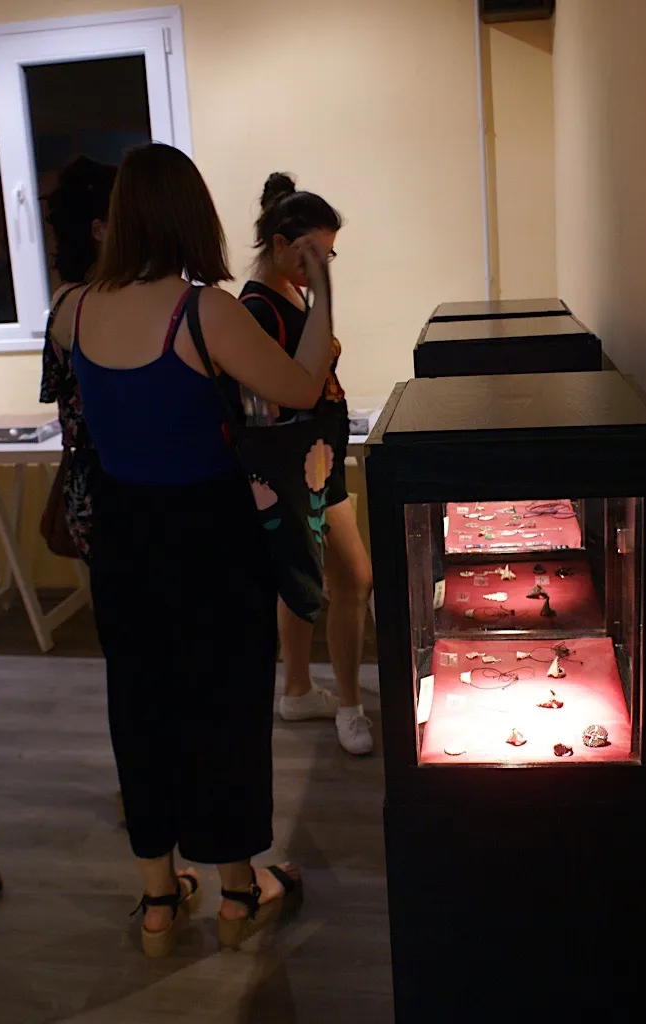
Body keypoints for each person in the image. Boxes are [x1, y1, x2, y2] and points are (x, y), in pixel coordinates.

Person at [62, 143, 333, 956]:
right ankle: (239, 895)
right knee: (224, 710)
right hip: (208, 539)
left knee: (140, 708)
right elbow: (301, 386)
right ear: (190, 214)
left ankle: (157, 901)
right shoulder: (202, 311)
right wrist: (323, 289)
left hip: (122, 539)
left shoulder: (70, 309)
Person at [242, 173, 374, 756]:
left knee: (304, 579)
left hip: (315, 463)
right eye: (312, 254)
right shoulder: (256, 308)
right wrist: (322, 292)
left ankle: (297, 691)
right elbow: (287, 390)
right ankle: (349, 704)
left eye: (327, 255)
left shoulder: (291, 295)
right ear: (279, 244)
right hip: (296, 471)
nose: (320, 266)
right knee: (353, 579)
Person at [40, 155, 117, 560]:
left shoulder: (75, 298)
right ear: (99, 230)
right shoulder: (81, 303)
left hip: (105, 474)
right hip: (105, 482)